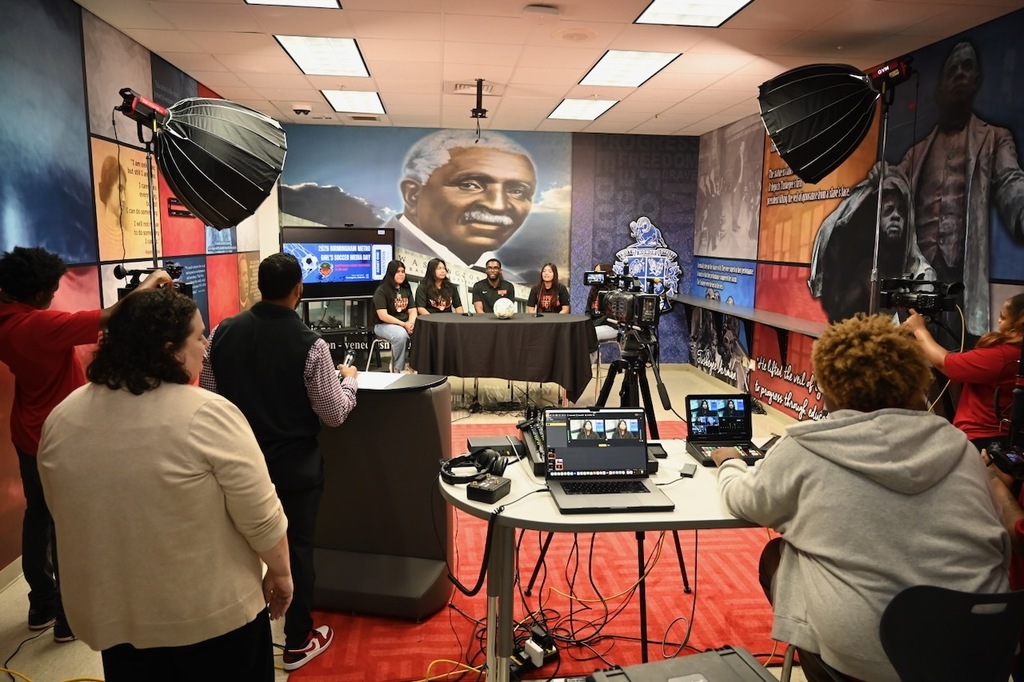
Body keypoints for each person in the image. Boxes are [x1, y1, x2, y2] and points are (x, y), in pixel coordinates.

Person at [711, 313, 1010, 682]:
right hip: (978, 654)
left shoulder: (806, 446)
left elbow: (746, 502)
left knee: (779, 556)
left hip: (870, 661)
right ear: (914, 379)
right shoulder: (960, 447)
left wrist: (729, 465)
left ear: (828, 381)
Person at [37, 289, 291, 680]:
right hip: (209, 622)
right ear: (170, 348)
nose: (206, 348)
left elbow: (63, 510)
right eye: (199, 337)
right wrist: (281, 572)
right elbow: (261, 518)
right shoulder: (207, 414)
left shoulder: (61, 418)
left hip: (116, 623)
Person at [0, 246, 170, 643]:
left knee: (38, 515)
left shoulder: (7, 320)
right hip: (58, 435)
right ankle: (67, 619)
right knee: (68, 525)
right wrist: (152, 281)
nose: (56, 296)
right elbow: (114, 316)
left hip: (26, 432)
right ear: (39, 294)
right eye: (53, 290)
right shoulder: (37, 326)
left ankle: (41, 603)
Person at [200, 253, 358, 672]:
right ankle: (297, 641)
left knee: (237, 552)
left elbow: (209, 399)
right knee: (297, 550)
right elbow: (335, 413)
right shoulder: (312, 345)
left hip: (234, 467)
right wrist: (351, 382)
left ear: (259, 287)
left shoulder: (221, 334)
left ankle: (243, 636)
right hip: (295, 470)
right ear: (298, 290)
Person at [893, 40, 1024, 337]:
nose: (960, 74)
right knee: (914, 363)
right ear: (940, 87)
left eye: (968, 67)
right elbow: (889, 191)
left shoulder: (994, 139)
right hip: (916, 278)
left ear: (977, 79)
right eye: (953, 69)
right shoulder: (917, 153)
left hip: (959, 283)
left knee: (956, 358)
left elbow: (1011, 182)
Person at [383, 130, 537, 272]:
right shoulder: (384, 268)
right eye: (469, 185)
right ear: (413, 195)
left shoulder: (511, 283)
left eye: (517, 191)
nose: (498, 206)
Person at [809, 164, 935, 323]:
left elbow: (921, 325)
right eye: (889, 211)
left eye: (901, 212)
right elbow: (838, 309)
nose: (896, 217)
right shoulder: (866, 267)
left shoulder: (922, 273)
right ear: (877, 219)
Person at [903, 293, 1024, 451]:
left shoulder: (1005, 355)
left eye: (1003, 317)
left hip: (985, 442)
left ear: (1019, 322)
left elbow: (945, 363)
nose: (999, 321)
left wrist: (919, 330)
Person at [372, 259, 416, 372]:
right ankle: (397, 368)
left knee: (422, 331)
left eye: (403, 271)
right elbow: (383, 316)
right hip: (383, 325)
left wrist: (410, 323)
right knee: (401, 335)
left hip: (405, 323)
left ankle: (413, 365)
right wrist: (404, 324)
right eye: (398, 272)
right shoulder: (381, 291)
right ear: (391, 273)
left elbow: (412, 310)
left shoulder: (406, 289)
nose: (401, 274)